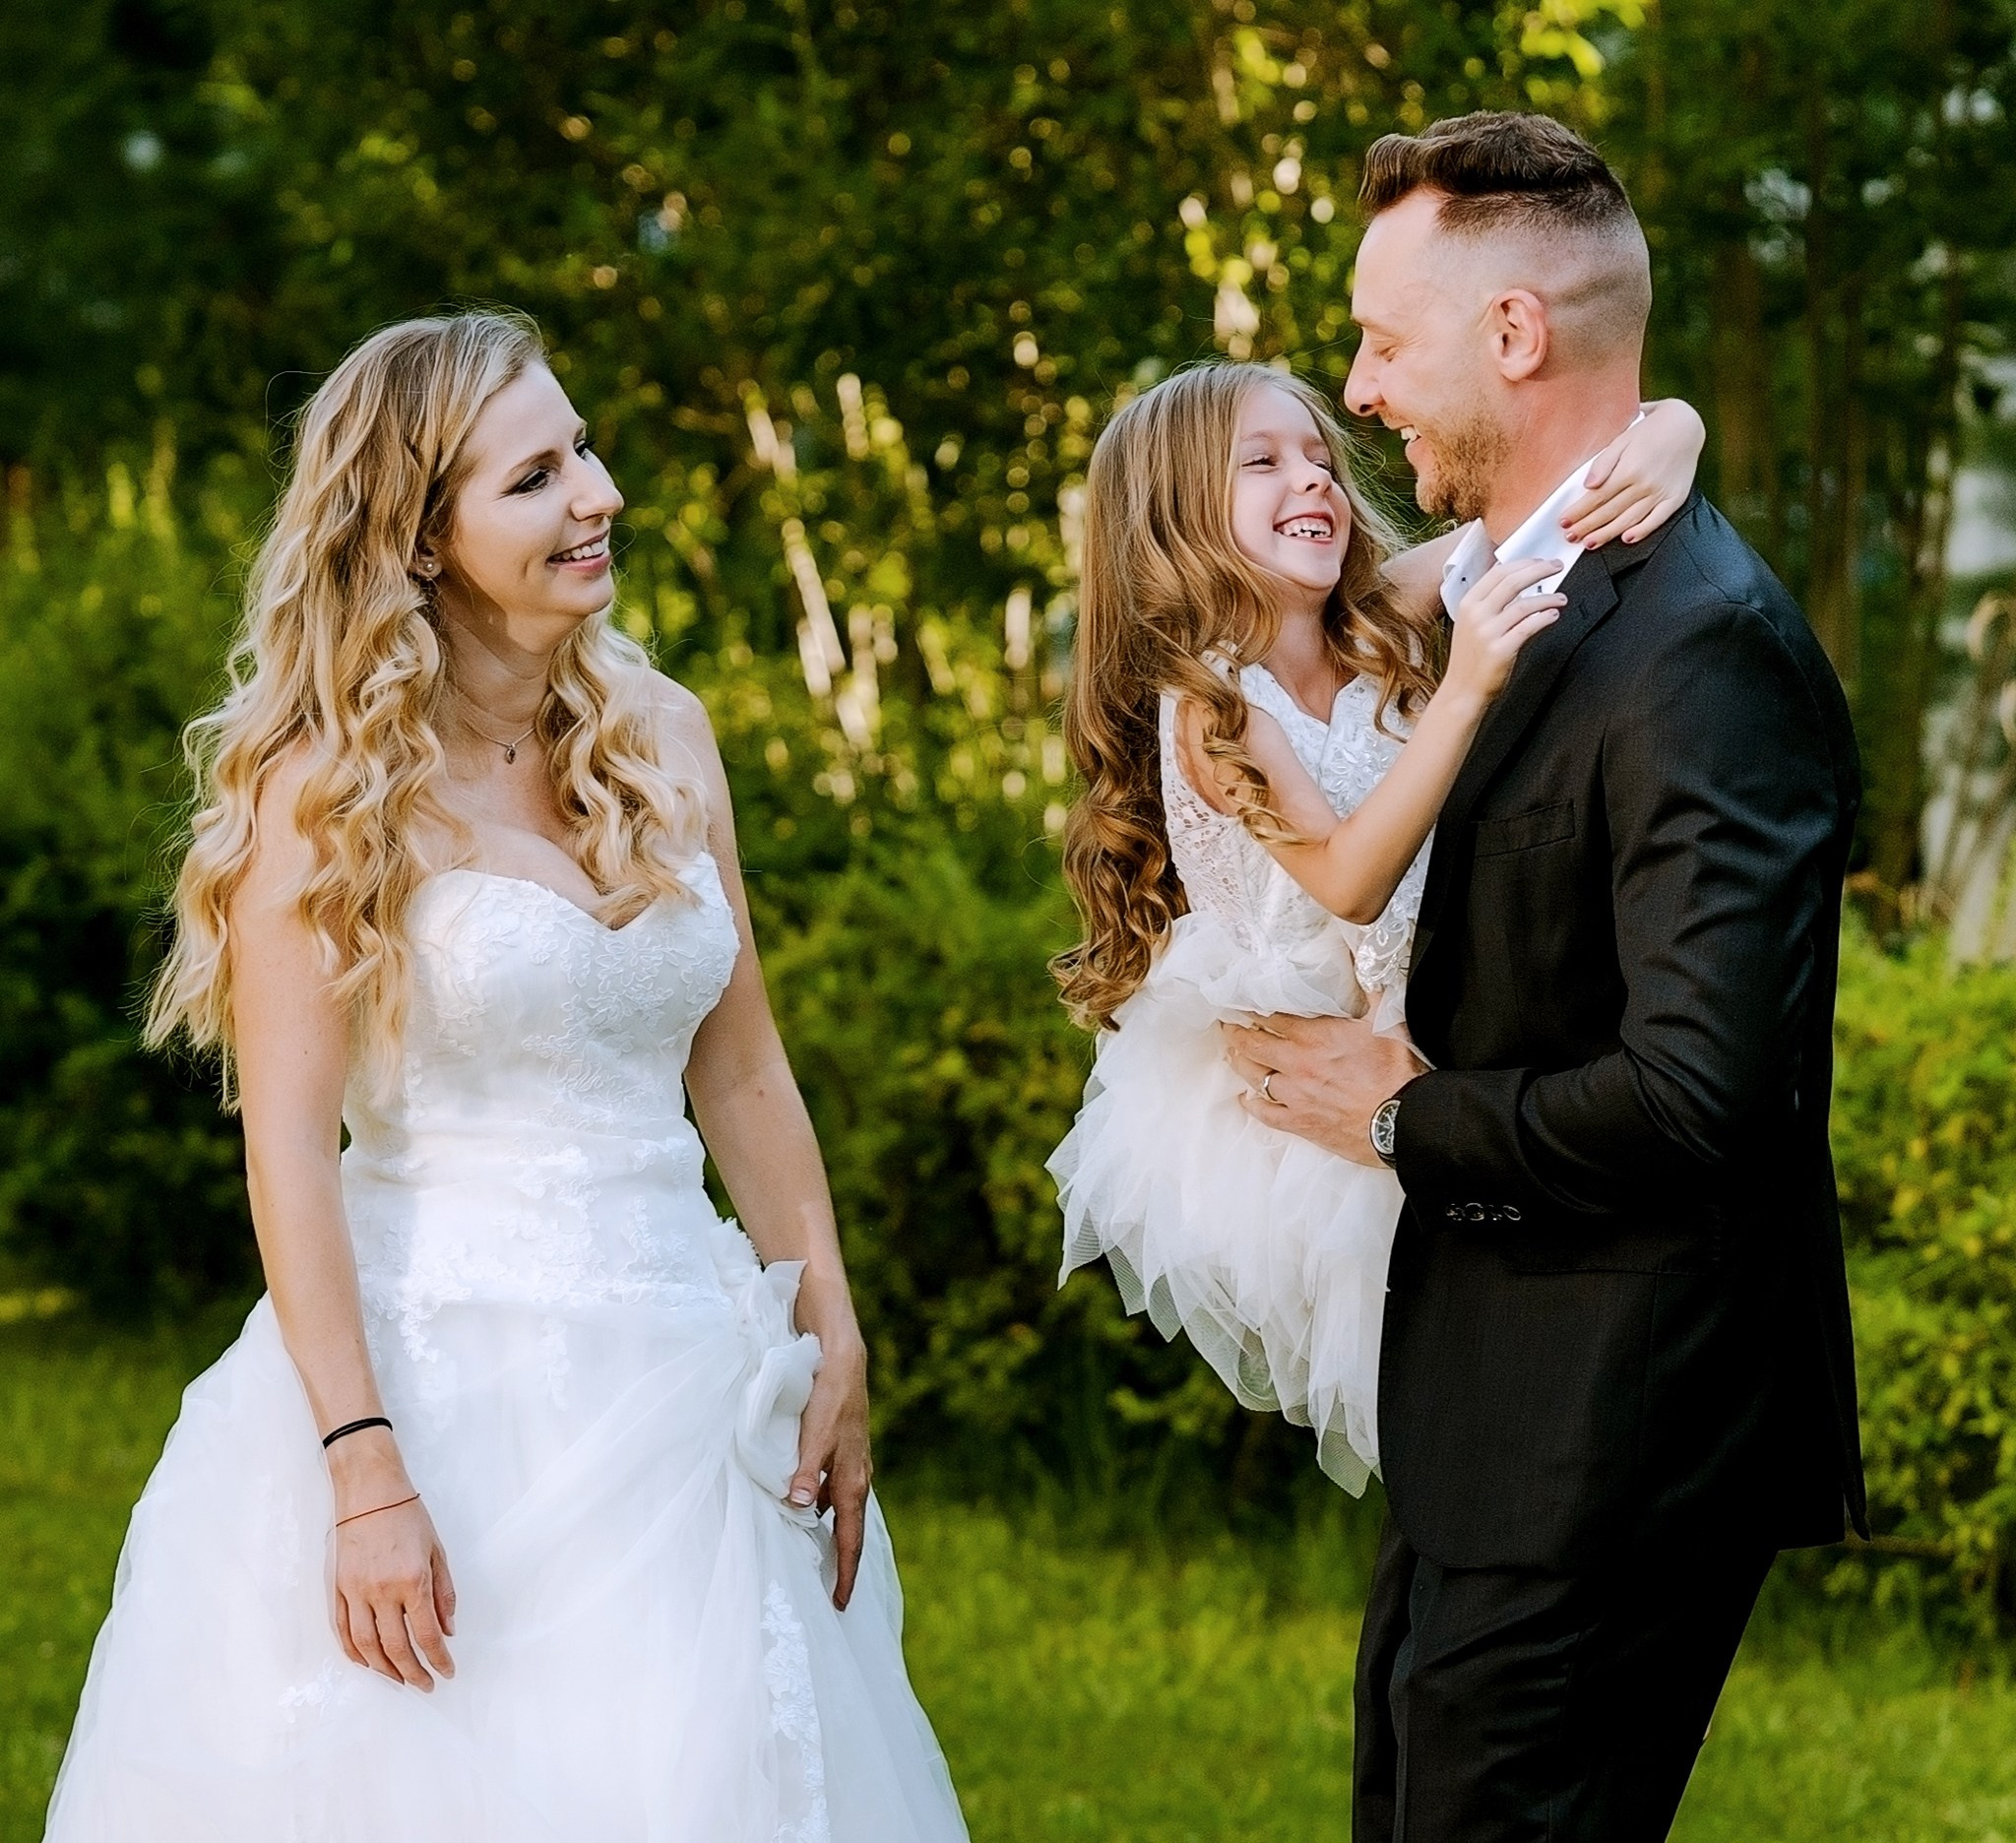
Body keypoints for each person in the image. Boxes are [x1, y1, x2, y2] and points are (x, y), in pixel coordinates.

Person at [44, 311, 967, 1843]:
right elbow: (286, 1152)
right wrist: (362, 1472)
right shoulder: (324, 793)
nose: (597, 492)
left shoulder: (661, 732)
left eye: (586, 450)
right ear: (417, 535)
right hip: (440, 1390)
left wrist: (832, 1332)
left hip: (690, 1371)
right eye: (536, 476)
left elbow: (740, 1072)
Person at [1220, 112, 1866, 1841]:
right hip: (1487, 1415)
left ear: (1511, 336)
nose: (1356, 393)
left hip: (1615, 1432)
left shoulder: (1703, 656)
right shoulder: (1513, 587)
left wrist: (1407, 1113)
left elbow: (1699, 1091)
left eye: (1378, 338)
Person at [1047, 360, 1703, 1492]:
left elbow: (1528, 518)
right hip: (1307, 1110)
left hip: (1418, 1027)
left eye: (1317, 458)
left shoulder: (1368, 620)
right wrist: (1466, 687)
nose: (1312, 481)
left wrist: (1674, 430)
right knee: (1454, 1395)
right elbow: (1348, 878)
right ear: (1175, 518)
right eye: (1261, 463)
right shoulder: (1212, 703)